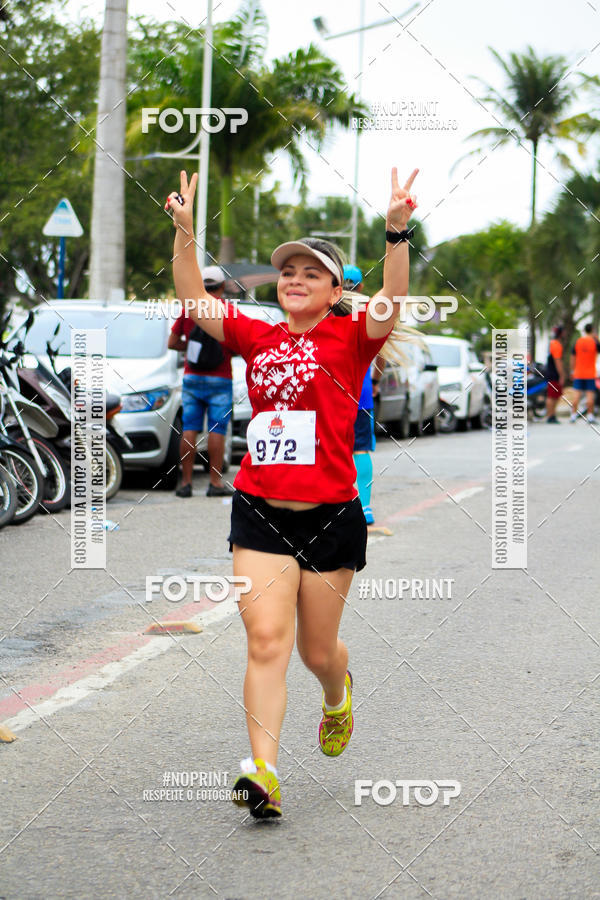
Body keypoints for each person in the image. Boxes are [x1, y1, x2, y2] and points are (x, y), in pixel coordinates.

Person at [165, 165, 418, 819]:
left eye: (311, 272)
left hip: (332, 517)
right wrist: (185, 233)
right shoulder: (258, 336)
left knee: (316, 652)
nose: (296, 279)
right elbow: (194, 298)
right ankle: (264, 771)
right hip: (260, 512)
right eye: (287, 272)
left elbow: (392, 293)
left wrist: (396, 230)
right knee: (267, 640)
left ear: (335, 290)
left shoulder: (355, 336)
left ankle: (338, 694)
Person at [167, 265, 235, 497]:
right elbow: (237, 343)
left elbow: (172, 342)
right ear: (223, 287)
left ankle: (185, 483)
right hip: (221, 378)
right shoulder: (227, 309)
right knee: (217, 429)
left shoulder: (189, 309)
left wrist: (192, 347)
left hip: (192, 377)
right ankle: (214, 483)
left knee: (190, 429)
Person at [343, 264, 386, 526]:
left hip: (330, 390)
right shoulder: (371, 310)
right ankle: (364, 506)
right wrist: (376, 380)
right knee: (360, 448)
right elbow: (382, 352)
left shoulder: (327, 306)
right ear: (360, 287)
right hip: (362, 390)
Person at [569, 323, 600, 424]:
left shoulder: (578, 341)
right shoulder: (595, 342)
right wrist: (597, 338)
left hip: (578, 373)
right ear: (593, 330)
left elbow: (572, 357)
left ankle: (573, 415)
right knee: (590, 396)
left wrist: (572, 370)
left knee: (576, 395)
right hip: (590, 373)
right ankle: (590, 416)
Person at [545, 325, 565, 424]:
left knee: (553, 395)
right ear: (561, 333)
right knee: (552, 396)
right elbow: (558, 361)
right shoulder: (556, 344)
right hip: (554, 374)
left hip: (550, 372)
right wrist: (562, 375)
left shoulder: (551, 343)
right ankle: (550, 416)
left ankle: (551, 415)